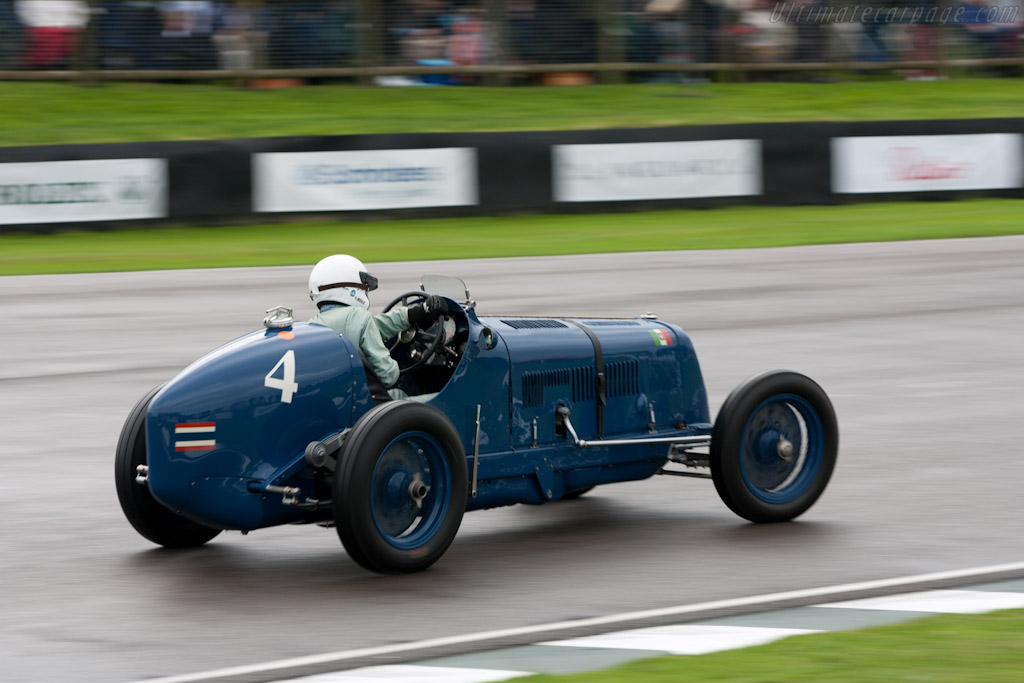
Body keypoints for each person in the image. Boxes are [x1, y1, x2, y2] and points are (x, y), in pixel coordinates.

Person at [307, 254, 446, 401]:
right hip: (370, 404)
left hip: (342, 400)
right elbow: (388, 377)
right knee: (442, 400)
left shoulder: (313, 325)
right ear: (350, 288)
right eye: (363, 286)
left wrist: (417, 312)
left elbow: (378, 323)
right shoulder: (358, 317)